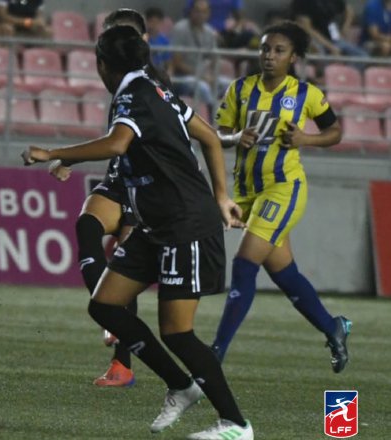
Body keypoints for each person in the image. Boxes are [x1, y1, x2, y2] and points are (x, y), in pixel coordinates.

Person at [22, 25, 254, 440]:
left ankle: (237, 425)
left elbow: (117, 144)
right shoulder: (157, 88)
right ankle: (181, 387)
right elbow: (210, 139)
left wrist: (53, 152)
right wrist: (222, 195)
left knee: (178, 332)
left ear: (102, 64)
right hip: (157, 224)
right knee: (105, 305)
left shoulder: (132, 95)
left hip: (185, 225)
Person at [210, 21, 351, 373]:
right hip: (245, 191)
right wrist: (234, 137)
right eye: (264, 49)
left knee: (244, 265)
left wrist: (307, 139)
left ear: (294, 58)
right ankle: (332, 326)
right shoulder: (240, 89)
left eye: (278, 51)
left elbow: (334, 131)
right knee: (284, 273)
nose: (269, 56)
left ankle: (215, 353)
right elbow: (218, 133)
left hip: (283, 188)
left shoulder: (307, 94)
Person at [49, 8, 148, 389]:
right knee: (86, 226)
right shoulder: (120, 82)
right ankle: (110, 316)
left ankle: (122, 365)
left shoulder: (152, 85)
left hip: (147, 187)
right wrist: (70, 159)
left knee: (125, 265)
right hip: (119, 178)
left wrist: (62, 154)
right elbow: (117, 141)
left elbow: (125, 141)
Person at [169, 0, 233, 109]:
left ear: (208, 14)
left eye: (204, 12)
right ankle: (212, 119)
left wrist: (212, 76)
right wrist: (202, 76)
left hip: (204, 76)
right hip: (184, 78)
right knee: (203, 88)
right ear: (191, 12)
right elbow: (177, 62)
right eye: (197, 11)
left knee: (231, 85)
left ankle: (231, 117)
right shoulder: (180, 28)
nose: (200, 15)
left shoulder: (209, 31)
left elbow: (214, 58)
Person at [291, 0, 369, 58]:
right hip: (313, 41)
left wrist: (346, 27)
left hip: (334, 38)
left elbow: (348, 9)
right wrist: (330, 47)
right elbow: (306, 27)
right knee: (320, 54)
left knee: (363, 56)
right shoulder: (302, 2)